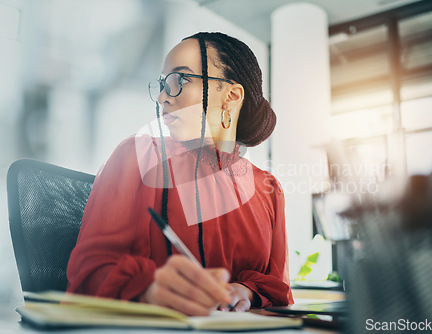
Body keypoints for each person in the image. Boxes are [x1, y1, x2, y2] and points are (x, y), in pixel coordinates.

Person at [66, 32, 293, 317]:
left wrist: (244, 291)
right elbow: (90, 272)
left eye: (179, 81)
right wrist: (148, 292)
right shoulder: (140, 156)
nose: (162, 97)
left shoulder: (268, 187)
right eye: (162, 84)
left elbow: (278, 288)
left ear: (231, 96)